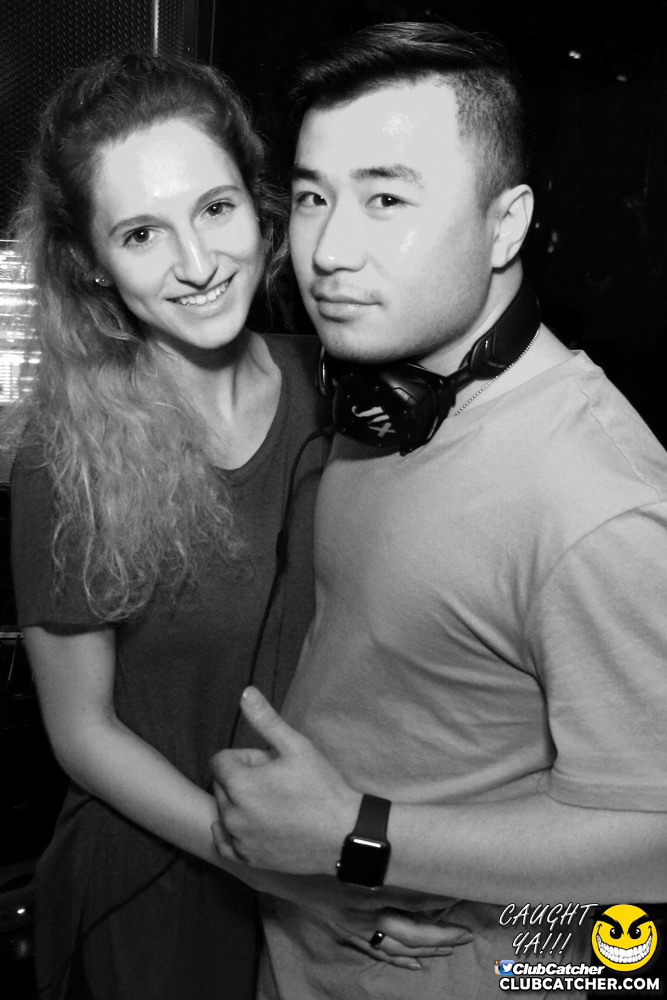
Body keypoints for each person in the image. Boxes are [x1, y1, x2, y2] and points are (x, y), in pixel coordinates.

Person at [210, 21, 667, 1000]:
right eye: (312, 197)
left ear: (505, 226)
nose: (328, 251)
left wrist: (356, 837)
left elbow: (655, 843)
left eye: (386, 198)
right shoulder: (382, 399)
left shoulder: (597, 501)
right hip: (306, 952)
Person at [4, 52, 461, 1000]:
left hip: (325, 859)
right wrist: (278, 872)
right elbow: (82, 732)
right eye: (142, 233)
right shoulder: (66, 453)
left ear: (260, 207)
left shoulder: (341, 391)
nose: (199, 264)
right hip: (161, 886)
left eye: (214, 210)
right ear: (92, 264)